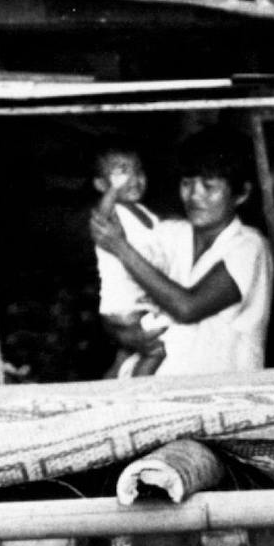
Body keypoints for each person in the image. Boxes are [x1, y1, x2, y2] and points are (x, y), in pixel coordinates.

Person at [90, 128, 272, 378]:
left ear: (241, 194)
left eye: (209, 187)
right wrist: (124, 334)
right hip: (146, 391)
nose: (194, 196)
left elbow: (188, 308)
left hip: (216, 395)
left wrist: (121, 247)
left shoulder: (249, 246)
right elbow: (121, 298)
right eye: (187, 184)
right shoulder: (169, 233)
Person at [91, 144, 174, 377]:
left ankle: (109, 389)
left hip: (141, 303)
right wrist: (112, 192)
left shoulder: (147, 215)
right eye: (121, 172)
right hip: (124, 306)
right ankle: (136, 395)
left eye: (138, 171)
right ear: (101, 185)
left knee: (127, 354)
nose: (134, 179)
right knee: (156, 351)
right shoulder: (113, 211)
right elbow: (101, 216)